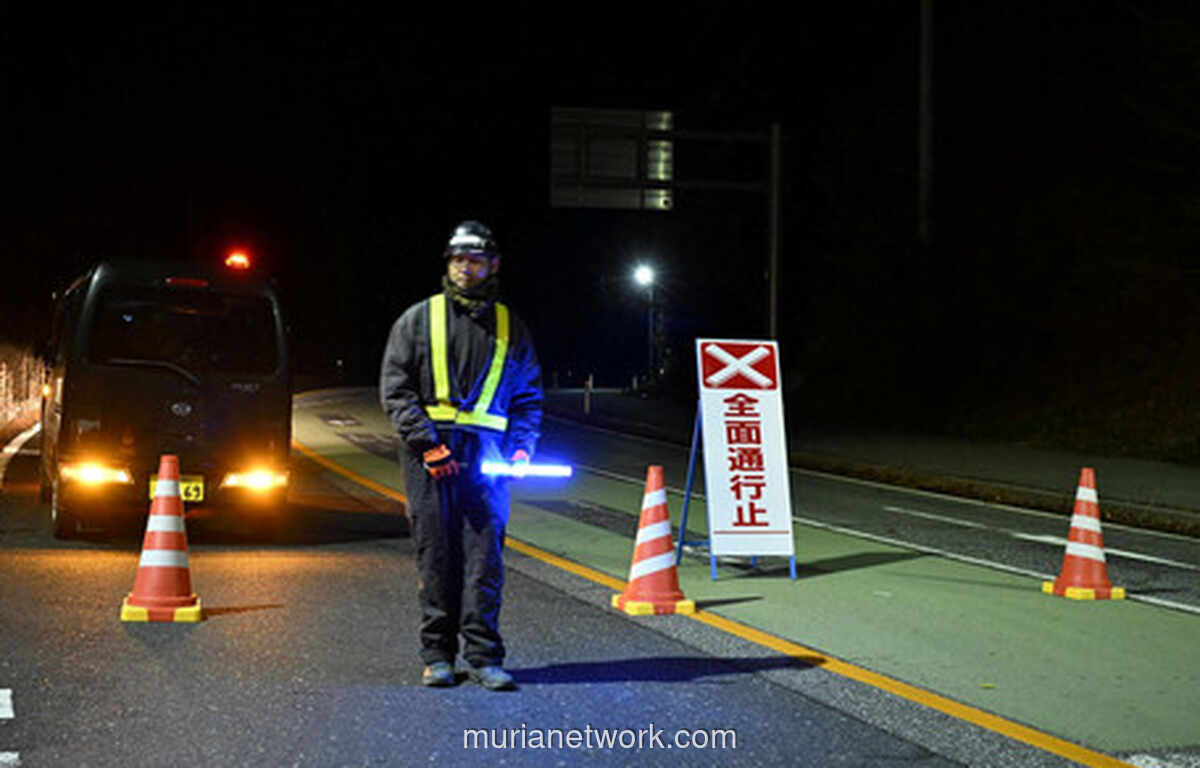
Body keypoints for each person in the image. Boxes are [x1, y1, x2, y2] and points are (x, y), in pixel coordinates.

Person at [379, 220, 543, 691]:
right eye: (457, 260)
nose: (465, 268)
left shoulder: (513, 327)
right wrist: (428, 445)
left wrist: (520, 449)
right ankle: (437, 657)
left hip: (487, 459)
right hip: (430, 456)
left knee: (484, 559)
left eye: (474, 260)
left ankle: (484, 658)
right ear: (448, 265)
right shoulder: (418, 319)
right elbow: (396, 389)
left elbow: (528, 398)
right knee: (436, 556)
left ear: (493, 264)